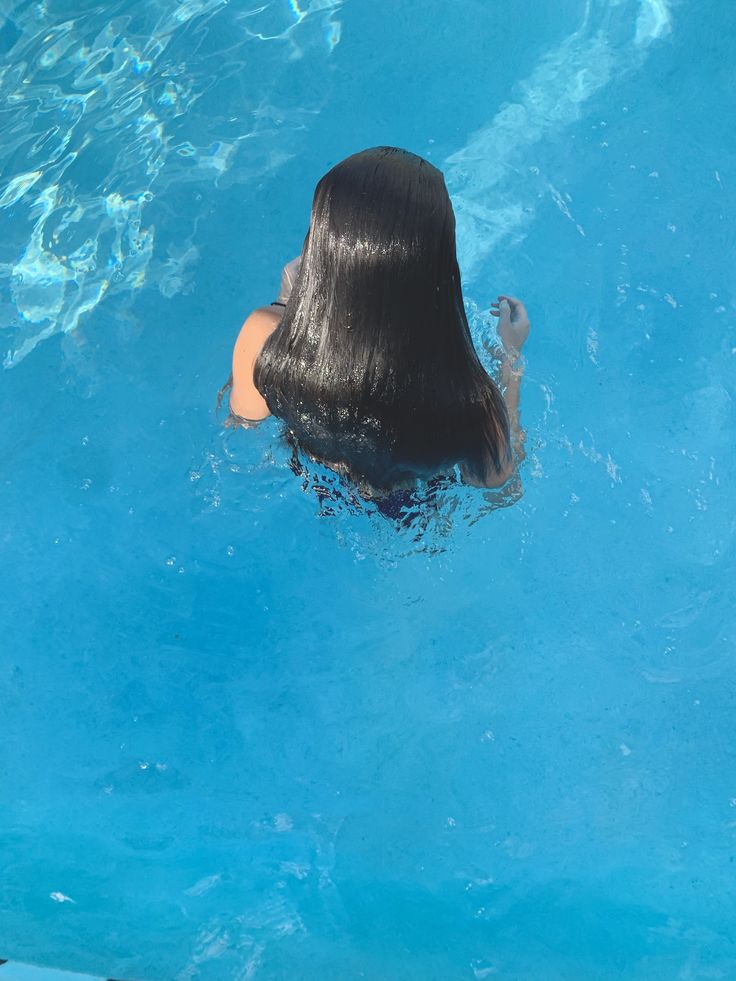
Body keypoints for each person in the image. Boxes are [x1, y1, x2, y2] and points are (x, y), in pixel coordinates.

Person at [228, 146, 530, 497]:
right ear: (437, 266)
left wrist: (288, 306)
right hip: (413, 509)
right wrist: (509, 358)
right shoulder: (468, 398)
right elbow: (499, 485)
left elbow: (244, 420)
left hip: (316, 479)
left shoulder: (263, 332)